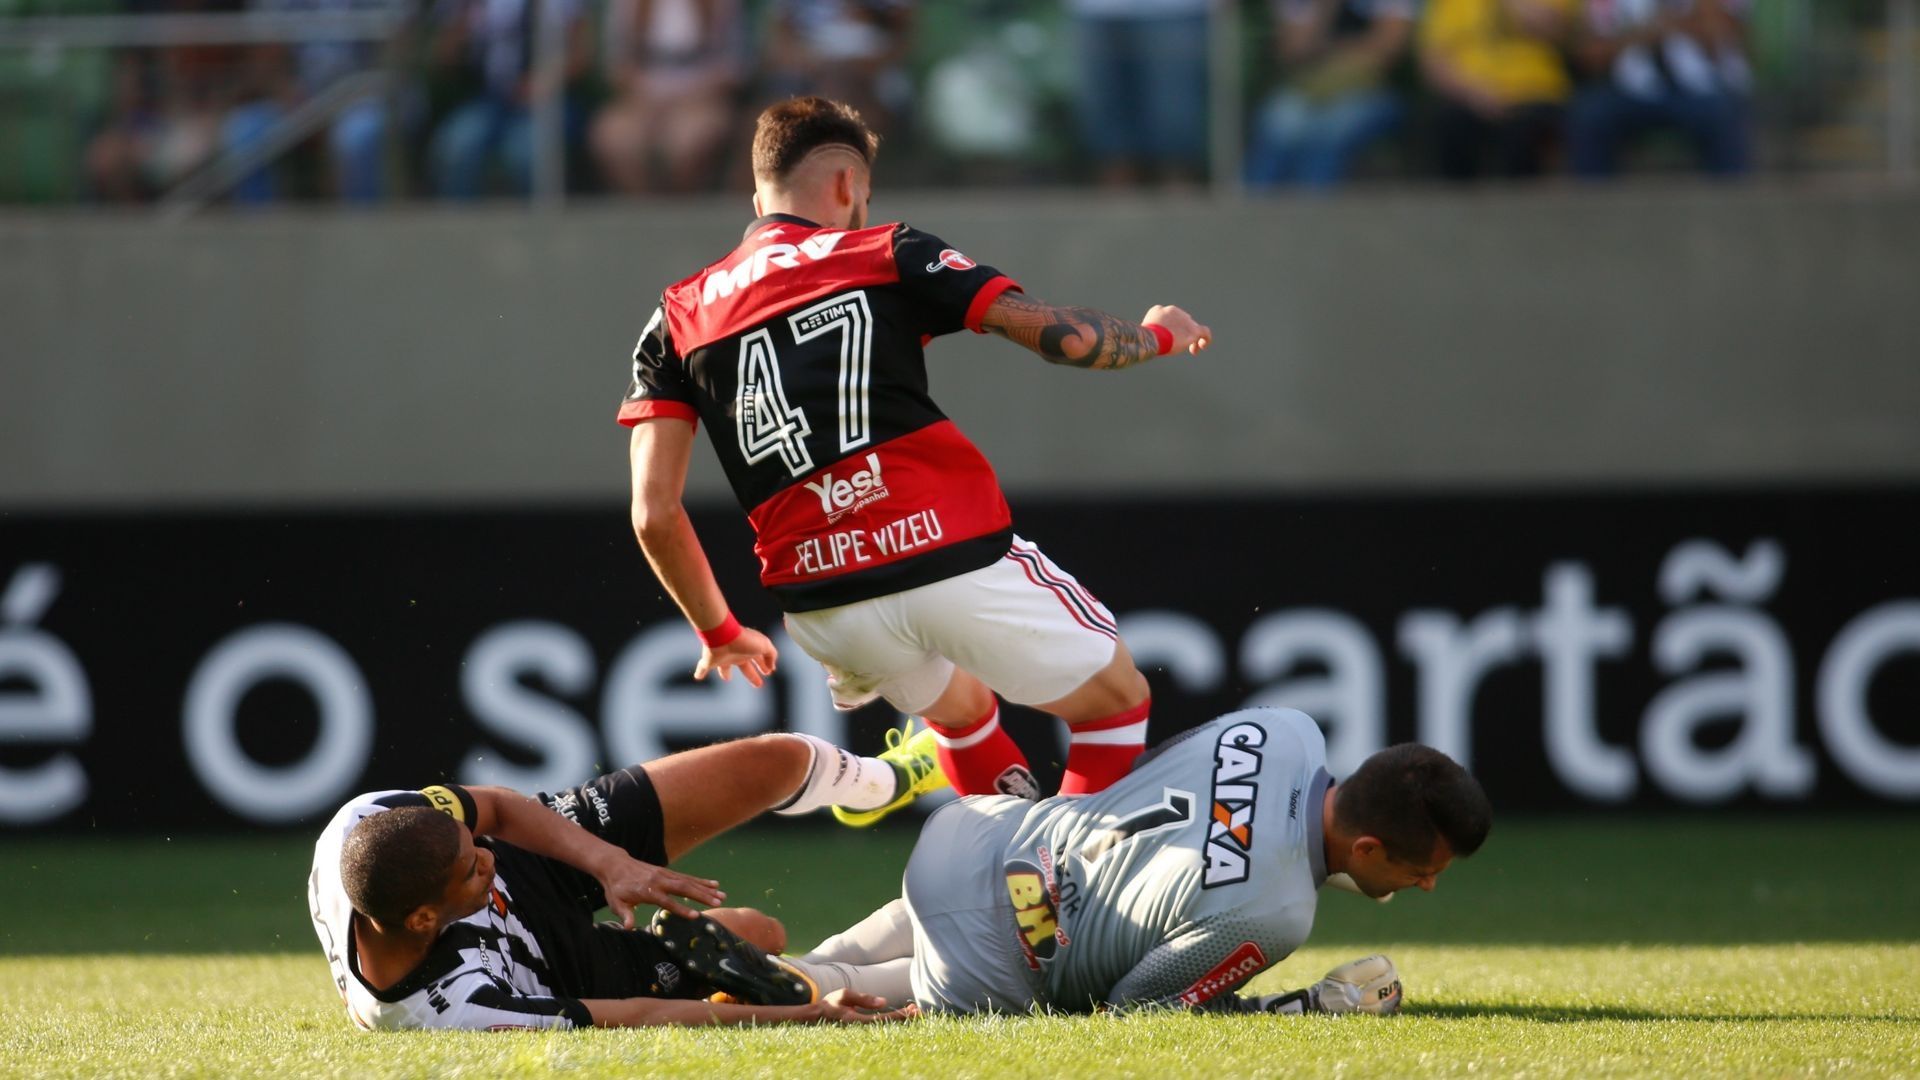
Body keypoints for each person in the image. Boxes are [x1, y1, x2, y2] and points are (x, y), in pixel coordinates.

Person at [616, 96, 1214, 824]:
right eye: (863, 198)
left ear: (758, 199)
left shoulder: (676, 314)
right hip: (943, 549)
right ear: (848, 184)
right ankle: (1057, 868)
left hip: (822, 600)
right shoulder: (883, 251)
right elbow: (1068, 340)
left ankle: (1001, 862)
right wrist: (1157, 335)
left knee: (960, 710)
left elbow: (653, 514)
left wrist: (719, 631)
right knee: (1116, 703)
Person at [769, 707, 1491, 1014]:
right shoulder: (1278, 914)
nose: (1428, 886)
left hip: (977, 841)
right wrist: (1306, 1007)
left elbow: (1140, 770)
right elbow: (1137, 1009)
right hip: (999, 956)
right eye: (1420, 871)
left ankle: (730, 962)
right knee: (829, 992)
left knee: (816, 964)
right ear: (1366, 849)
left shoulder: (1286, 729)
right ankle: (743, 986)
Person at [307, 730, 927, 1030]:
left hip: (532, 859)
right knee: (757, 933)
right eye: (473, 870)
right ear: (421, 919)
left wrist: (610, 863)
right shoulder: (447, 1011)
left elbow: (494, 809)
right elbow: (636, 1014)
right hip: (550, 969)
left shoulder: (367, 823)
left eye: (473, 849)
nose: (483, 863)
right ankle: (765, 982)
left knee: (777, 759)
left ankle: (888, 781)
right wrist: (811, 1017)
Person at [1566, 0, 1751, 178]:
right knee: (1591, 115)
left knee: (1724, 113)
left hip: (1695, 91)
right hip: (1629, 91)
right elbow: (1591, 57)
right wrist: (1643, 34)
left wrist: (1683, 22)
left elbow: (1724, 43)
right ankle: (1592, 193)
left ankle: (1731, 191)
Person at [1245, 0, 1416, 190]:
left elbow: (1387, 49)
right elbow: (1292, 51)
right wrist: (1325, 9)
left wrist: (1328, 53)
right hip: (1308, 92)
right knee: (1279, 124)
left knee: (1329, 132)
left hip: (1370, 93)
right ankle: (1255, 201)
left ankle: (1313, 204)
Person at [1418, 0, 1576, 180]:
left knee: (1524, 131)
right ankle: (1457, 197)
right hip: (1467, 95)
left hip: (1534, 92)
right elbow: (1433, 63)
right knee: (1449, 121)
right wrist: (1473, 94)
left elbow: (1558, 32)